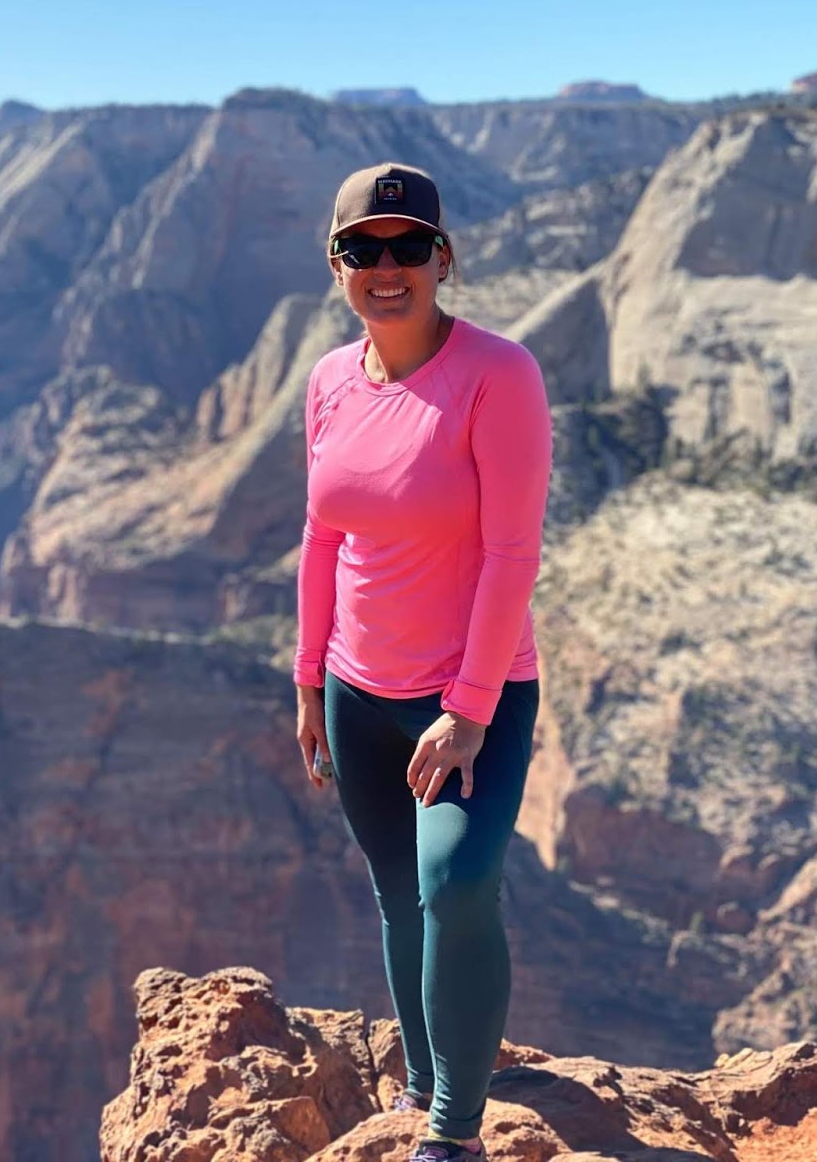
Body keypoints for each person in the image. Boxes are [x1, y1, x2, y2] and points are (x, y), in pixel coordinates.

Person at [294, 162, 552, 1162]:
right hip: (356, 690)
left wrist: (471, 706)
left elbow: (510, 553)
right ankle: (418, 1081)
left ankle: (452, 1132)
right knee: (396, 892)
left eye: (409, 247)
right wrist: (308, 682)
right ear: (336, 264)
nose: (387, 268)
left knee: (454, 886)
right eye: (365, 249)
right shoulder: (325, 381)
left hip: (469, 697)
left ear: (443, 259)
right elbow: (320, 540)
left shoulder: (499, 374)